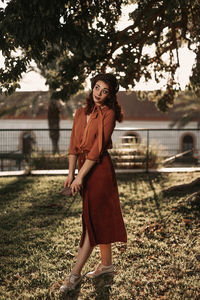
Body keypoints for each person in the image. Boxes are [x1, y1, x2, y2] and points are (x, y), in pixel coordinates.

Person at [60, 73, 127, 293]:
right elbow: (72, 147)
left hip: (100, 170)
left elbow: (97, 149)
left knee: (92, 221)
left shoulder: (109, 114)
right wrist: (71, 175)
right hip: (82, 169)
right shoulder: (80, 113)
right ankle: (106, 265)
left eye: (104, 90)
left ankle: (74, 275)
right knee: (96, 217)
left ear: (110, 95)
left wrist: (80, 176)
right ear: (92, 87)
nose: (99, 93)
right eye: (97, 87)